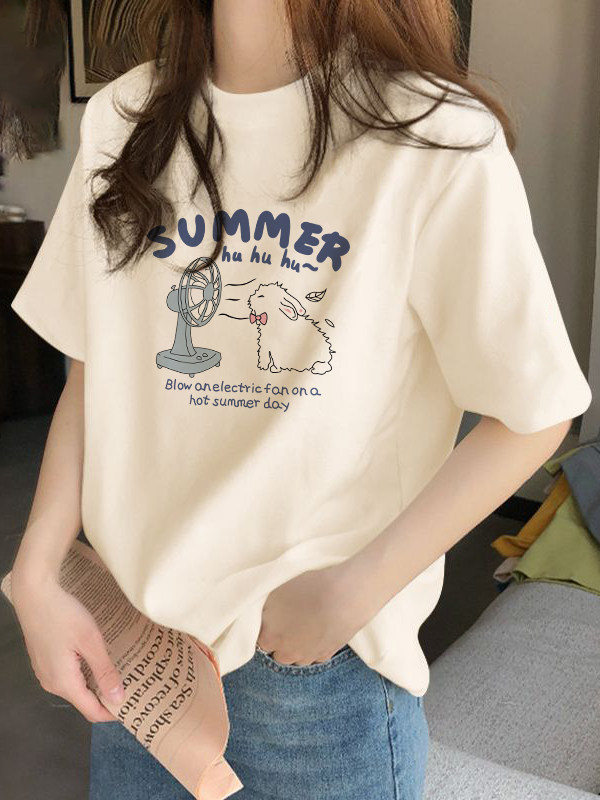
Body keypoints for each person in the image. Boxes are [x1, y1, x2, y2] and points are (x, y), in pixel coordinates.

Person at [7, 1, 593, 799]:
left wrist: (353, 592)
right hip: (137, 664)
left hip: (315, 686)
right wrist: (37, 568)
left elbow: (534, 411)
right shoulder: (124, 116)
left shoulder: (430, 133)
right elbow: (94, 370)